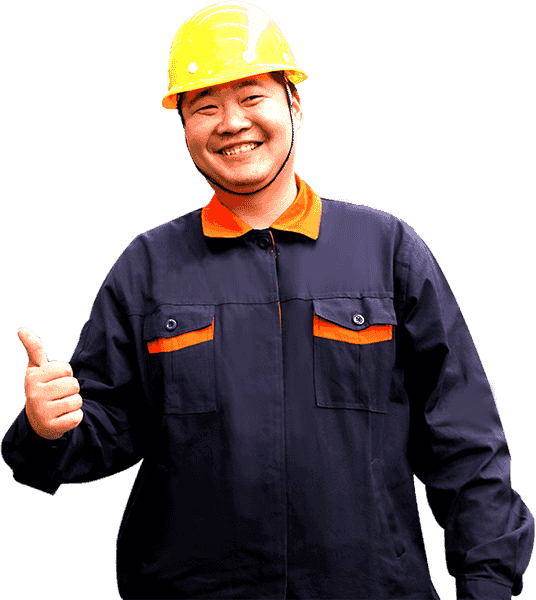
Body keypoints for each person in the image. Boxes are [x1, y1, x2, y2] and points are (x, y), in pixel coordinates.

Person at [2, 1, 534, 598]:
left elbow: (464, 438)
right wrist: (48, 427)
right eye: (205, 107)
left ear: (295, 105)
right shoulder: (147, 267)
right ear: (184, 129)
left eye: (252, 97)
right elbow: (102, 430)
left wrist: (487, 582)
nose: (232, 123)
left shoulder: (386, 250)